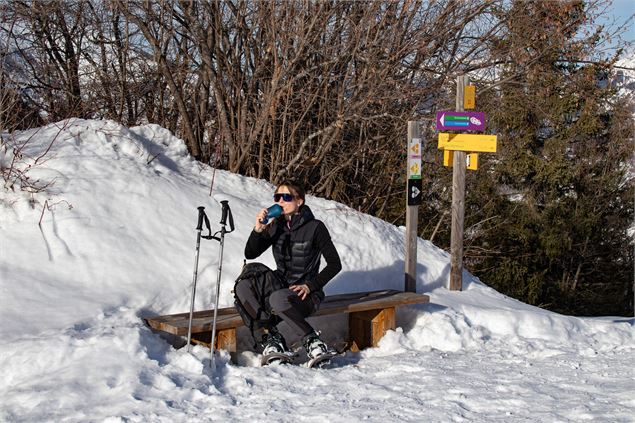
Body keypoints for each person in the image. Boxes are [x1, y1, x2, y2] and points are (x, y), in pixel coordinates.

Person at [236, 180, 342, 360]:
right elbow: (250, 253)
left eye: (286, 197)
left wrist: (310, 286)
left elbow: (334, 264)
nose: (280, 202)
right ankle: (271, 336)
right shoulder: (276, 226)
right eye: (277, 197)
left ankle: (312, 341)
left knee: (277, 298)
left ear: (299, 201)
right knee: (243, 286)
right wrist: (258, 230)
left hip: (305, 295)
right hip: (279, 285)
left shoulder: (316, 227)